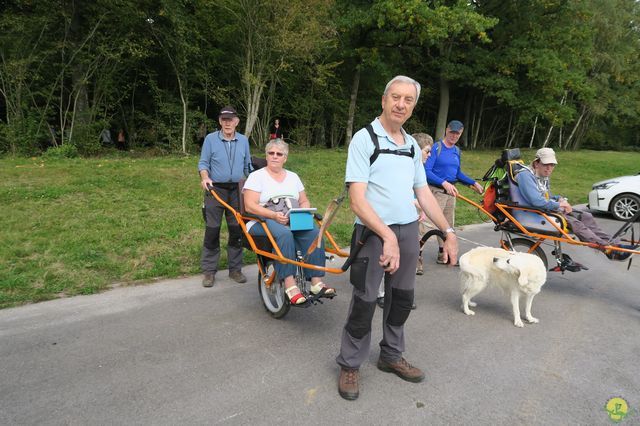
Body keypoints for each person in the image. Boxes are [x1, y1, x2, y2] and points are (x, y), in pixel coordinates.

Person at [336, 75, 458, 401]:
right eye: (396, 97)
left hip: (406, 231)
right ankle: (350, 363)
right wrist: (386, 235)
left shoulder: (411, 146)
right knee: (364, 302)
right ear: (384, 99)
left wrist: (447, 231)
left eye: (408, 100)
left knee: (401, 299)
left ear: (413, 106)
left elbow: (424, 193)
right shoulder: (365, 139)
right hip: (373, 233)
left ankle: (391, 355)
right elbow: (357, 200)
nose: (400, 104)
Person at [243, 139, 335, 304]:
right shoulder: (257, 176)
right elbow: (249, 206)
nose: (275, 156)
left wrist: (303, 210)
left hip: (292, 218)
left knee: (315, 233)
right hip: (263, 219)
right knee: (285, 234)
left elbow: (304, 200)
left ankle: (316, 282)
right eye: (271, 153)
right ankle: (290, 285)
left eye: (279, 154)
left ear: (285, 158)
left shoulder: (293, 177)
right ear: (266, 155)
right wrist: (273, 215)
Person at [515, 147, 637, 261]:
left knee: (586, 216)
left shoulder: (541, 176)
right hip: (532, 213)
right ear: (536, 163)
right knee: (576, 223)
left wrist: (560, 199)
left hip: (544, 209)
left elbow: (547, 196)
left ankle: (613, 244)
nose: (549, 168)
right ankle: (608, 250)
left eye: (552, 165)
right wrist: (559, 205)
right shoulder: (525, 175)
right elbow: (536, 201)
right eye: (546, 164)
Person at [376, 133, 432, 309]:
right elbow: (400, 193)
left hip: (408, 217)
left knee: (404, 256)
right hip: (389, 218)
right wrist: (418, 204)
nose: (429, 155)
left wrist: (420, 207)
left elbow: (419, 193)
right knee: (386, 254)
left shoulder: (418, 168)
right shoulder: (403, 164)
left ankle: (398, 294)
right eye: (427, 151)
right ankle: (381, 293)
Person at [198, 106, 252, 287]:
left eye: (231, 120)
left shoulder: (243, 140)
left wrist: (254, 186)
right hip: (215, 190)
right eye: (224, 119)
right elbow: (203, 163)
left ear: (237, 121)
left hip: (237, 191)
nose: (227, 123)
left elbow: (247, 167)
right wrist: (205, 178)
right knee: (212, 229)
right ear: (220, 121)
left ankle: (235, 269)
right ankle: (208, 272)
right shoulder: (210, 139)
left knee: (236, 230)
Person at [424, 120, 483, 264]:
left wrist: (473, 183)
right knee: (427, 224)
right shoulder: (436, 148)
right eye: (452, 132)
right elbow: (426, 171)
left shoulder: (456, 151)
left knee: (447, 225)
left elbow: (457, 173)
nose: (454, 135)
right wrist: (443, 182)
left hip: (450, 193)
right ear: (446, 130)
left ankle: (442, 252)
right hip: (435, 191)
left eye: (457, 133)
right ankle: (417, 255)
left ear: (461, 134)